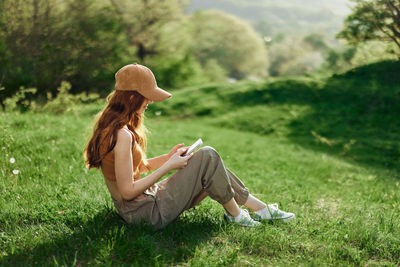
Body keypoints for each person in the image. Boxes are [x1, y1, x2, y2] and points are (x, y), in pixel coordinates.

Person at [84, 63, 295, 229]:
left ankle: (256, 210)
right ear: (132, 97)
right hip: (144, 214)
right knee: (208, 156)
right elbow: (128, 191)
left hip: (145, 203)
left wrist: (168, 157)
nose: (150, 102)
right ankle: (238, 214)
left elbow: (134, 169)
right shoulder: (122, 135)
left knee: (206, 161)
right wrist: (169, 167)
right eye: (147, 96)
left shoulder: (113, 127)